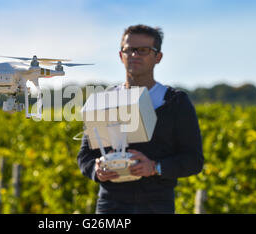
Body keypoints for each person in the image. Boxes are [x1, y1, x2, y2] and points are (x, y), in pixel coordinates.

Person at [77, 24, 204, 214]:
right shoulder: (105, 101)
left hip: (157, 204)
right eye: (129, 50)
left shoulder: (174, 102)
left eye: (143, 50)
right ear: (121, 56)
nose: (135, 55)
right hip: (111, 205)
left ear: (158, 57)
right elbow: (85, 156)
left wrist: (155, 167)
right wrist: (97, 170)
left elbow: (193, 160)